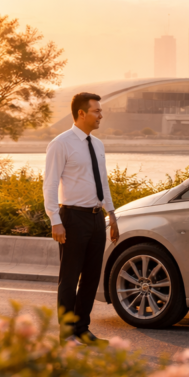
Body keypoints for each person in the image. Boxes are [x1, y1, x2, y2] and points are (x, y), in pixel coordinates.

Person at [43, 92, 120, 344]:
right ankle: (66, 333)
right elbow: (50, 184)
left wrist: (112, 214)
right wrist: (55, 219)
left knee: (91, 278)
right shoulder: (60, 143)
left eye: (100, 111)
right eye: (96, 111)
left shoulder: (97, 144)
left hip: (97, 218)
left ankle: (81, 328)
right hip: (72, 218)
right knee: (69, 278)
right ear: (81, 113)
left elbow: (103, 183)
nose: (101, 115)